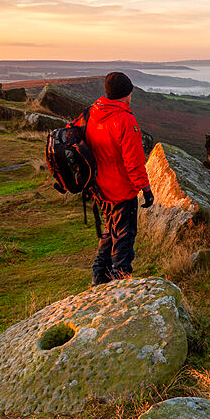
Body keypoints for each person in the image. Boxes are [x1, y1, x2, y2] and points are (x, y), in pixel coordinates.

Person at [84, 71, 154, 285]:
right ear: (127, 93)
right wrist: (146, 188)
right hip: (121, 191)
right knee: (123, 239)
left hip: (100, 188)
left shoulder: (92, 112)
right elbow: (133, 162)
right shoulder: (124, 120)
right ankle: (119, 284)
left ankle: (99, 277)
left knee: (110, 230)